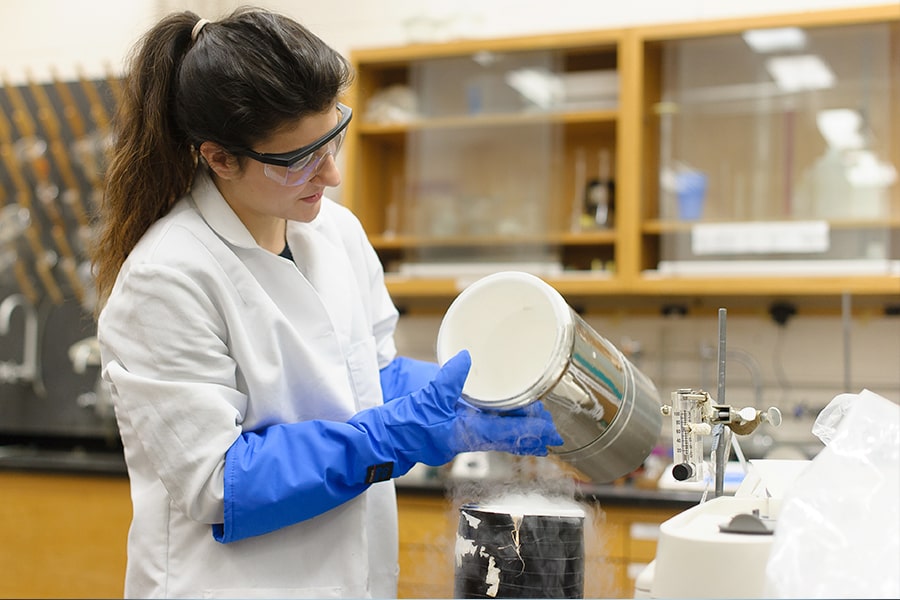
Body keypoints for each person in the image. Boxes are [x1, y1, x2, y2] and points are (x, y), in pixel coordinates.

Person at [91, 7, 563, 599]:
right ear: (220, 158)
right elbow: (217, 482)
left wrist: (477, 398)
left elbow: (367, 376)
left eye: (332, 138)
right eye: (301, 160)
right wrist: (389, 438)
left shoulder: (335, 232)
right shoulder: (166, 277)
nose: (333, 174)